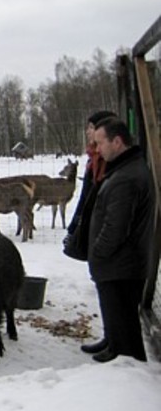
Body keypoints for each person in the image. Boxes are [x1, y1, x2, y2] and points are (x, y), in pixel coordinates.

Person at [87, 117, 154, 363]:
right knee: (119, 319)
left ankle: (128, 368)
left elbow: (116, 226)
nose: (97, 149)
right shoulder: (126, 169)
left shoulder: (126, 178)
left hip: (120, 266)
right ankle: (115, 346)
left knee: (125, 324)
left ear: (117, 142)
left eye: (100, 142)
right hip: (119, 264)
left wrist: (98, 252)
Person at [60, 110, 117, 352]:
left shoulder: (109, 161)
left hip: (105, 228)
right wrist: (76, 224)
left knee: (111, 283)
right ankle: (111, 336)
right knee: (102, 282)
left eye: (91, 127)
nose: (87, 131)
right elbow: (86, 196)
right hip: (93, 225)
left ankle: (117, 341)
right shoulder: (94, 159)